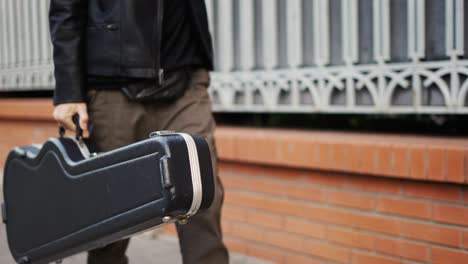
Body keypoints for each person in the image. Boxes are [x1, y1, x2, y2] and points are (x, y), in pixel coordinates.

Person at [48, 1, 229, 264]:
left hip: (185, 79)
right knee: (112, 210)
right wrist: (69, 92)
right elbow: (66, 10)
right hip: (111, 86)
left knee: (201, 196)